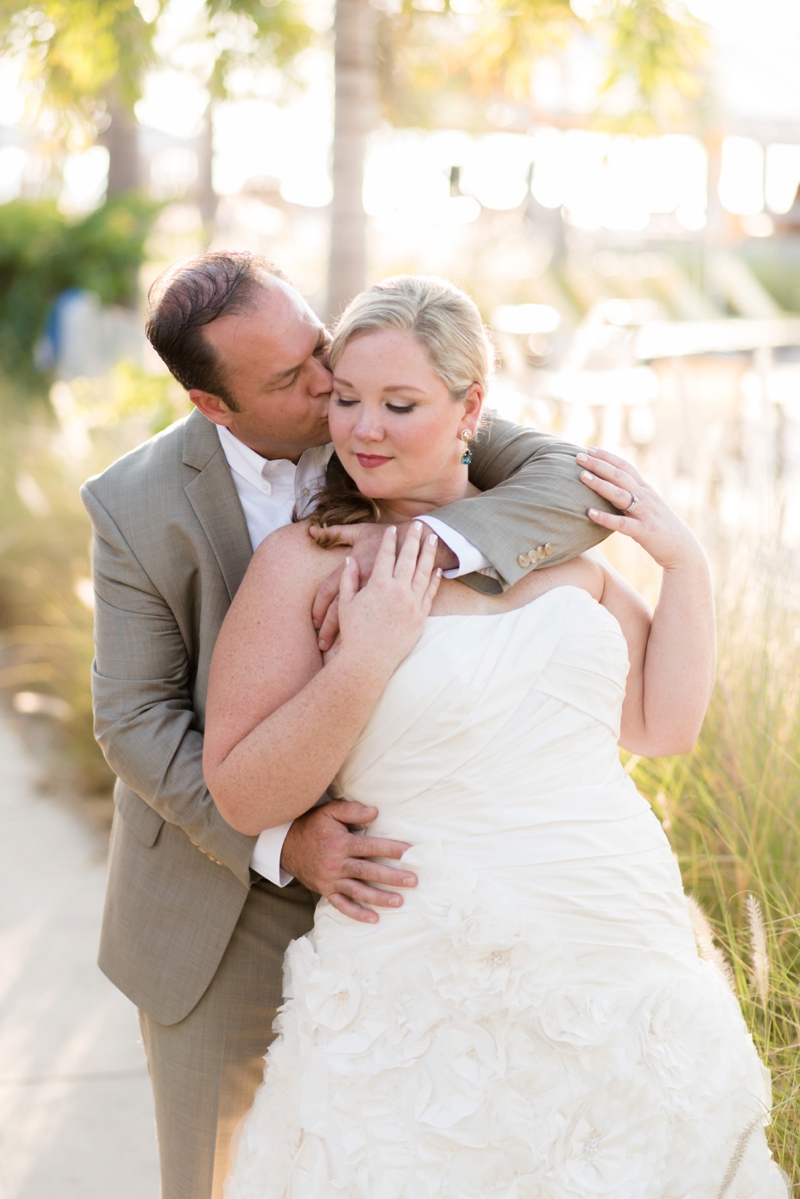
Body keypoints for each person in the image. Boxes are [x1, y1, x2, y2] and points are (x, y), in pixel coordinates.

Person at [205, 275, 787, 1197]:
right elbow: (242, 790)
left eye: (400, 404)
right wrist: (366, 659)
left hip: (616, 936)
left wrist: (686, 562)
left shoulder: (554, 545)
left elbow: (661, 724)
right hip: (425, 969)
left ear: (471, 406)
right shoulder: (304, 564)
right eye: (347, 399)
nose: (362, 430)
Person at [80, 252, 617, 1199]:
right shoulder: (133, 505)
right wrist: (283, 841)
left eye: (316, 347)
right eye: (292, 381)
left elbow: (573, 486)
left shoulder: (380, 411)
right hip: (224, 903)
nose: (331, 384)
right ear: (215, 405)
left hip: (419, 894)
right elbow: (132, 718)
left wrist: (422, 551)